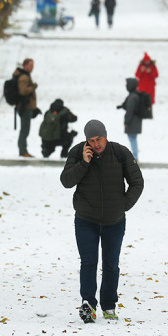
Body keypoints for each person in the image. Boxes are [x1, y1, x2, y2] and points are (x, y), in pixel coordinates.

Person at [60, 120, 144, 323]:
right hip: (85, 220)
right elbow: (66, 181)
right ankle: (88, 304)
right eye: (92, 140)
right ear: (86, 140)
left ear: (106, 137)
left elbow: (137, 182)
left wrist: (123, 205)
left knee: (111, 264)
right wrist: (83, 163)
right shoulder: (78, 152)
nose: (96, 144)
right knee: (89, 262)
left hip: (114, 221)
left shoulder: (120, 153)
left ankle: (109, 305)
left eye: (99, 139)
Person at [14, 58, 38, 158]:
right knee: (25, 129)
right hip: (24, 107)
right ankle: (23, 151)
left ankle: (23, 150)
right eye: (30, 65)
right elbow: (23, 91)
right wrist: (33, 87)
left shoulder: (25, 75)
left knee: (25, 129)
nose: (32, 68)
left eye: (33, 65)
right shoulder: (24, 77)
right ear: (25, 65)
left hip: (27, 107)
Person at [117, 77, 142, 160]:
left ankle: (135, 157)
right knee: (133, 138)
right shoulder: (135, 95)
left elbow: (130, 111)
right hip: (136, 121)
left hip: (132, 122)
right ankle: (135, 156)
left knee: (132, 139)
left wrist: (126, 122)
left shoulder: (132, 97)